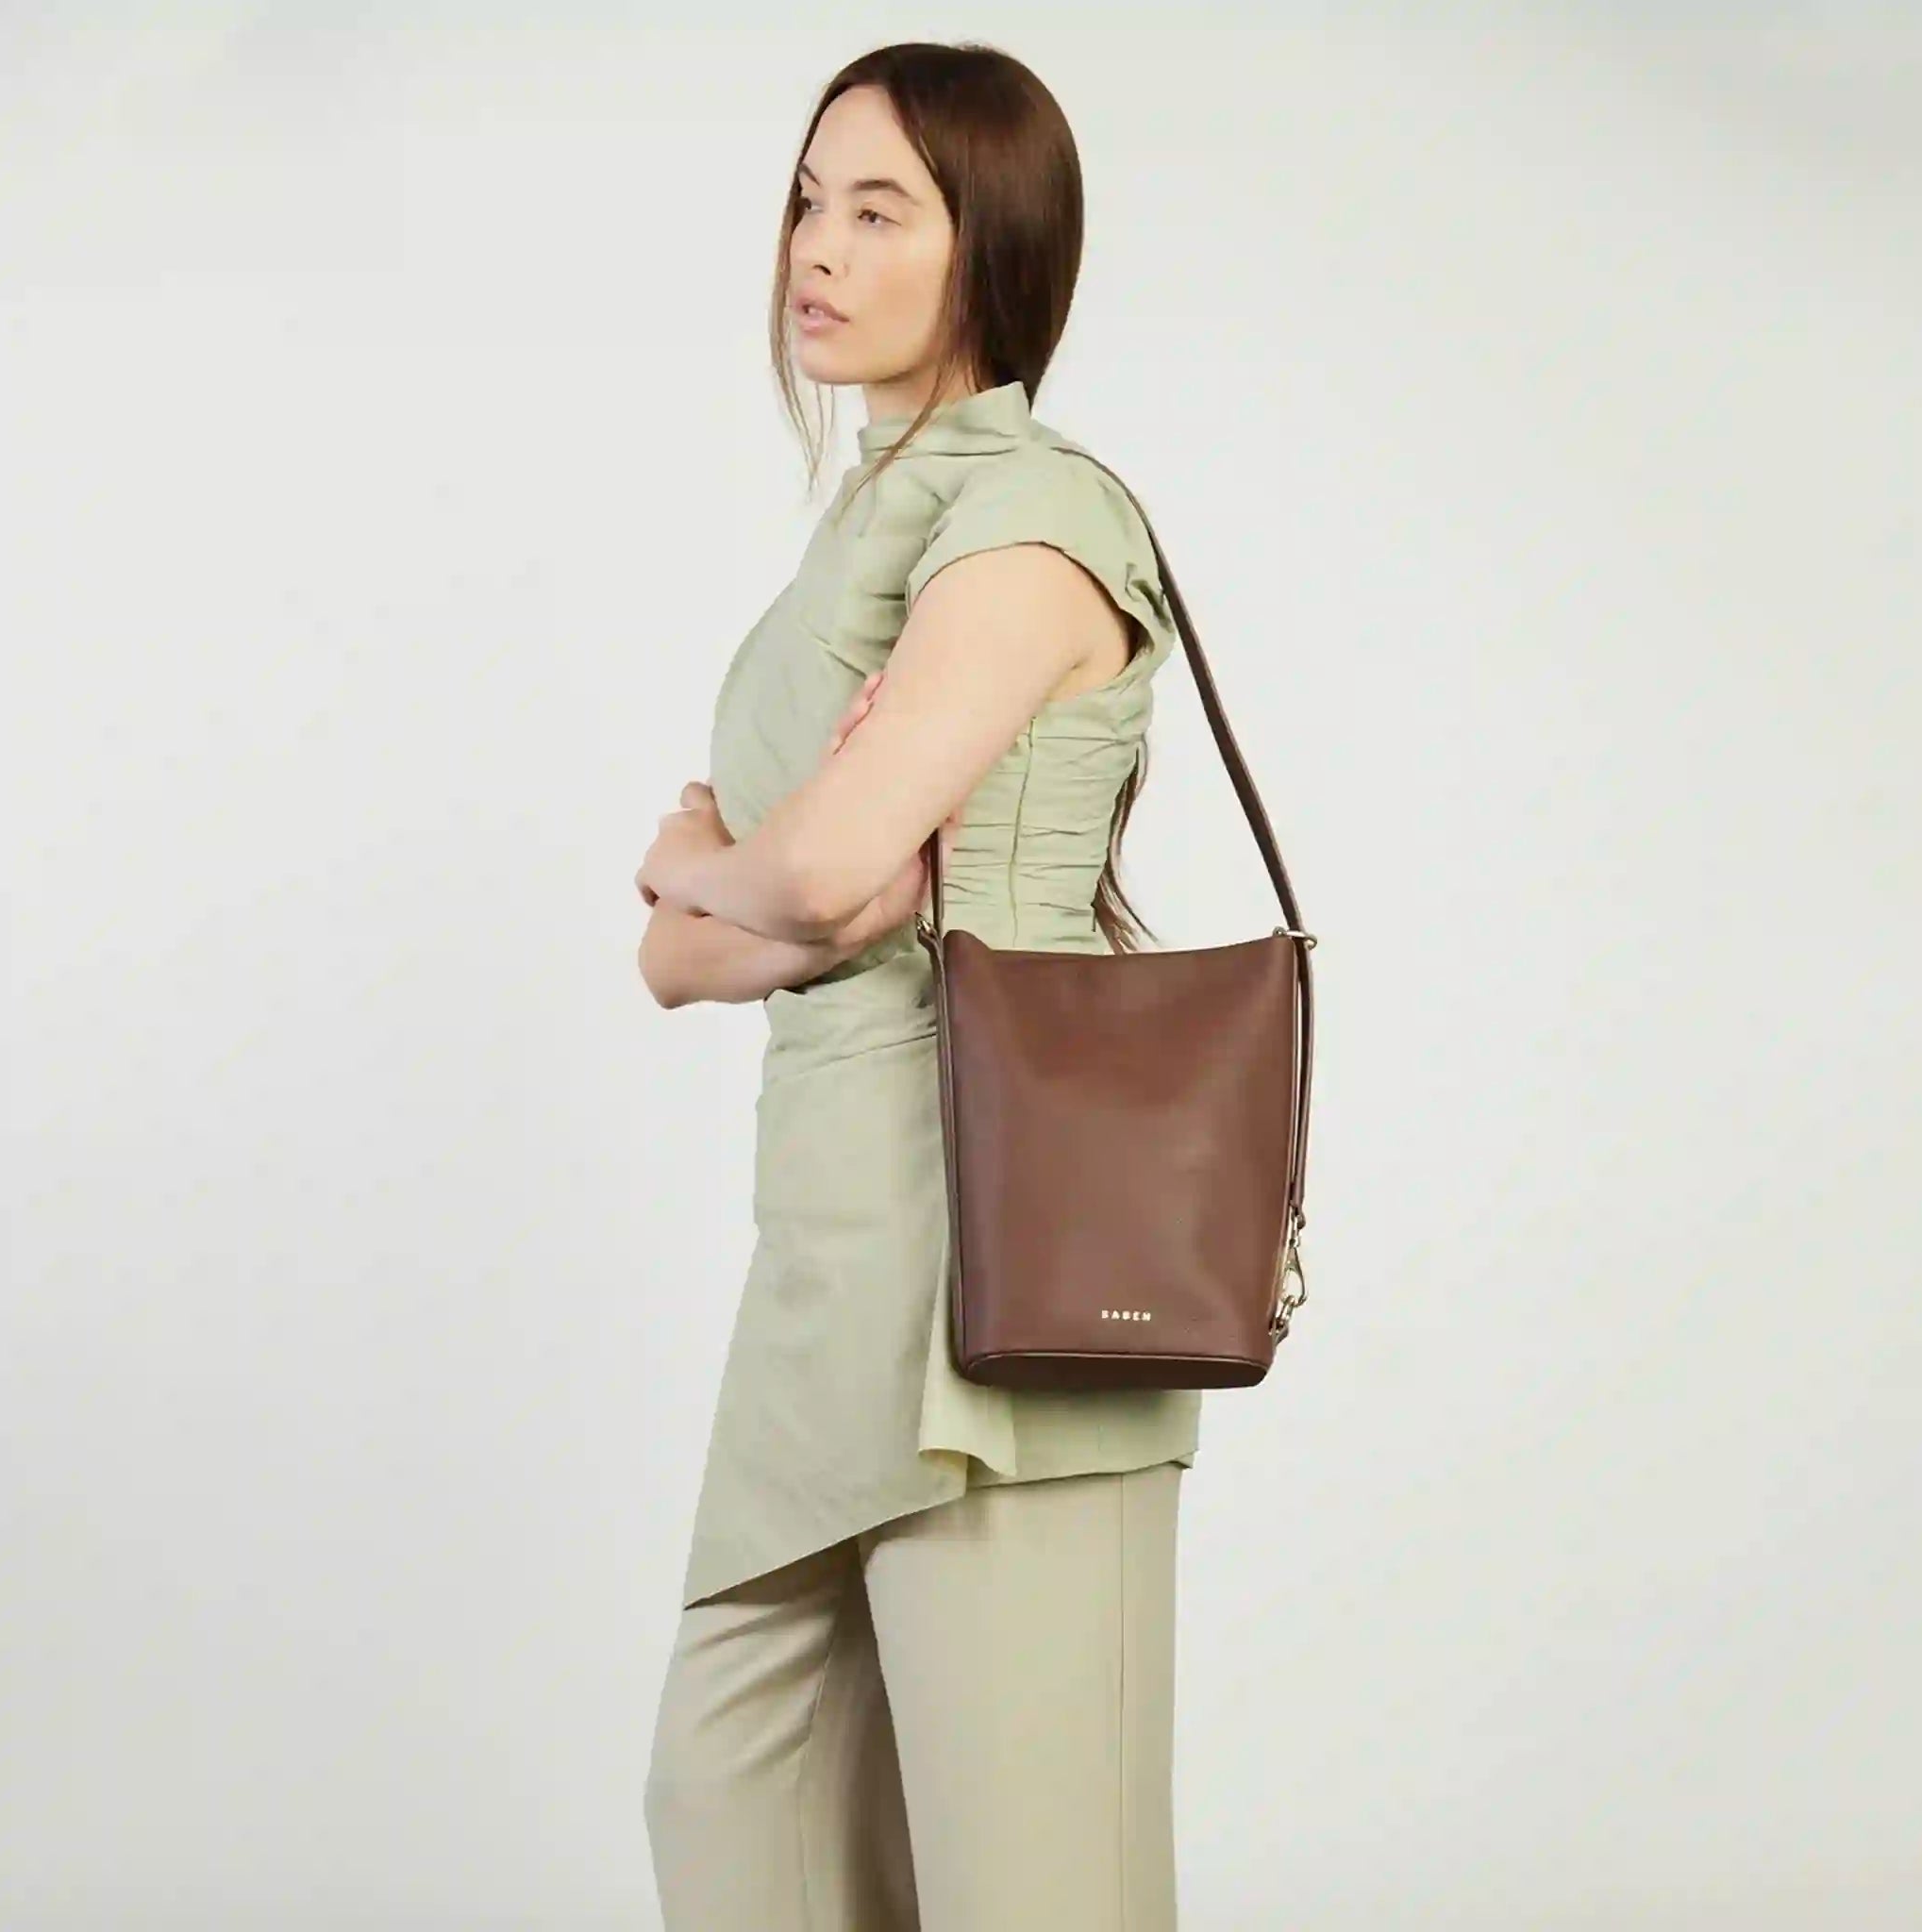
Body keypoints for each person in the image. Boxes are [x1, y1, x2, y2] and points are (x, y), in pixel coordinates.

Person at [633, 42, 1199, 1932]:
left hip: (1005, 1265)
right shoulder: (855, 540)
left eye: (881, 208)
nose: (818, 245)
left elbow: (779, 876)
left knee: (1032, 1890)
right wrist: (761, 884)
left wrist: (723, 858)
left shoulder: (1035, 519)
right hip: (830, 1255)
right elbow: (693, 946)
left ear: (992, 248)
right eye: (808, 197)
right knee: (731, 1811)